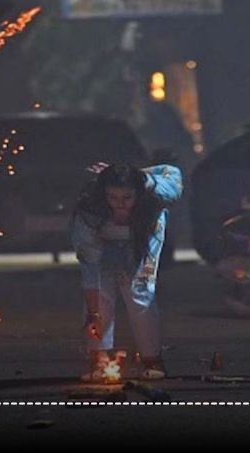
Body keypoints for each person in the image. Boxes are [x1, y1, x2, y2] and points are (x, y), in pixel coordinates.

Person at [71, 162, 182, 382]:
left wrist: (142, 174)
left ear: (139, 194)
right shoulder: (89, 209)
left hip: (145, 235)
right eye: (112, 197)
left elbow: (173, 172)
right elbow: (90, 267)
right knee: (101, 295)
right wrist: (93, 313)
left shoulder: (157, 193)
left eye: (127, 197)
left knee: (139, 291)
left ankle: (152, 359)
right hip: (101, 241)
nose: (120, 204)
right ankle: (99, 359)